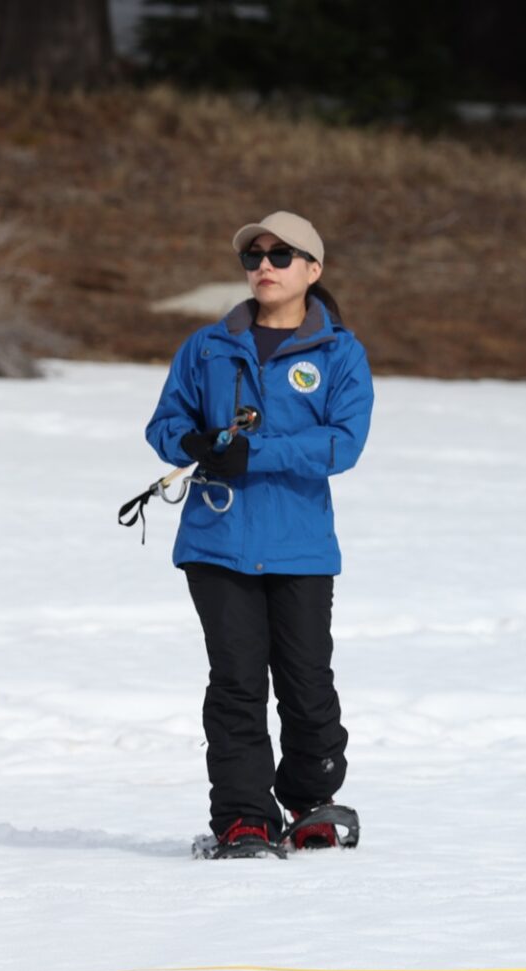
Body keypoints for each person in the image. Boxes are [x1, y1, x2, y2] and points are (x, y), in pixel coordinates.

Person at [145, 211, 372, 860]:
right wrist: (193, 442)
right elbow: (165, 426)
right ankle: (244, 817)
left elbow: (342, 442)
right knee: (237, 682)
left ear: (313, 270)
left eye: (281, 254)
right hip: (217, 542)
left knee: (305, 681)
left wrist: (256, 452)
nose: (264, 266)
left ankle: (312, 803)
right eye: (254, 256)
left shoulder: (340, 353)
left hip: (300, 544)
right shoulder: (207, 347)